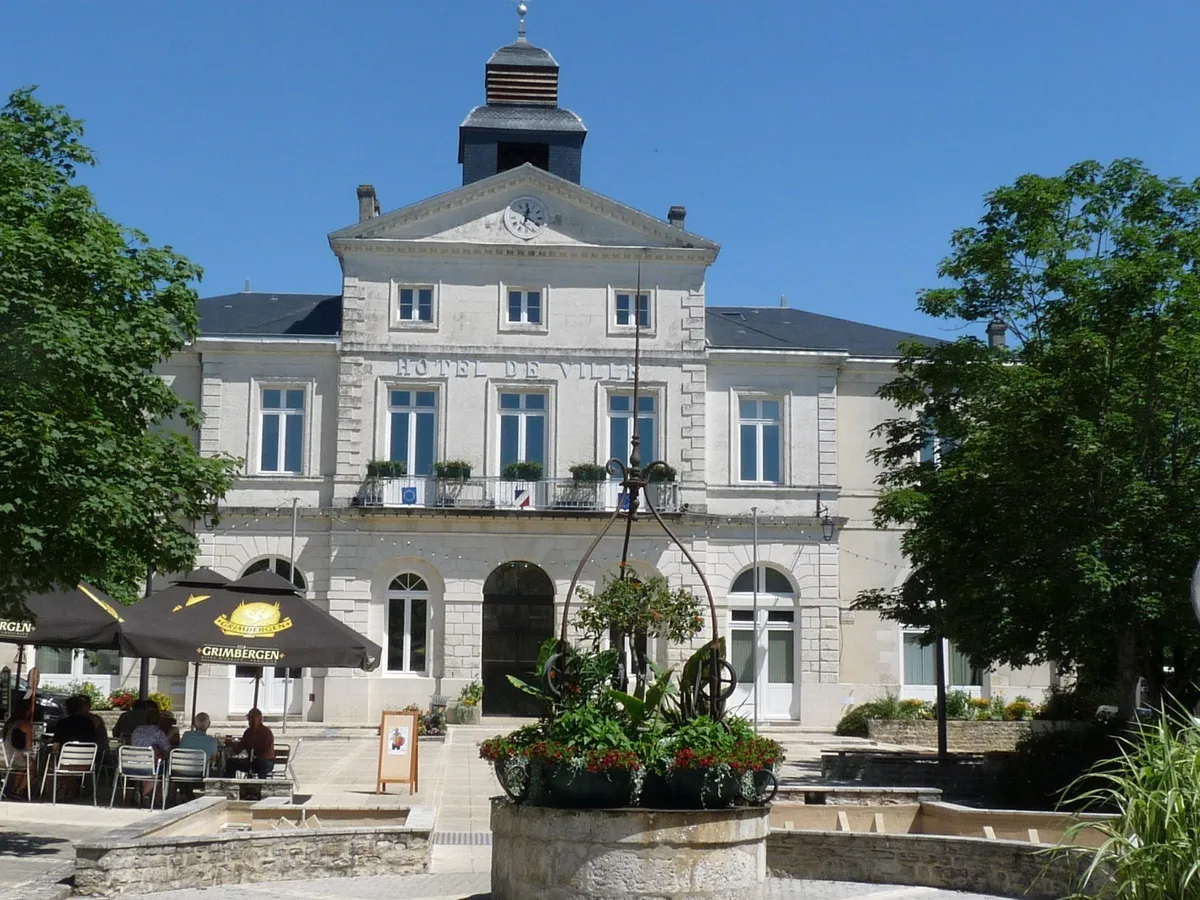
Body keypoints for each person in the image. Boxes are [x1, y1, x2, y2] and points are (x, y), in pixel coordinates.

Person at [130, 707, 171, 801]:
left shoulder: (136, 730)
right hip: (150, 766)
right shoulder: (158, 732)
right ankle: (144, 795)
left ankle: (145, 796)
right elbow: (168, 749)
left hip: (132, 766)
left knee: (149, 769)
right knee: (161, 769)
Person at [223, 708, 275, 779]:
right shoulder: (248, 732)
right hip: (252, 761)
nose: (250, 721)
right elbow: (238, 749)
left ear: (260, 719)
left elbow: (266, 751)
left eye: (252, 718)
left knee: (262, 763)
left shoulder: (267, 732)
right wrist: (231, 743)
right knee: (231, 762)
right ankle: (228, 785)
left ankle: (261, 786)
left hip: (266, 761)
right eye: (249, 718)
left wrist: (254, 752)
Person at [1, 699, 33, 799]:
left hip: (4, 758)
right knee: (31, 766)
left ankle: (14, 790)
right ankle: (18, 791)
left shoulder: (8, 723)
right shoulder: (26, 725)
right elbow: (28, 748)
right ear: (27, 711)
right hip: (14, 758)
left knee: (23, 763)